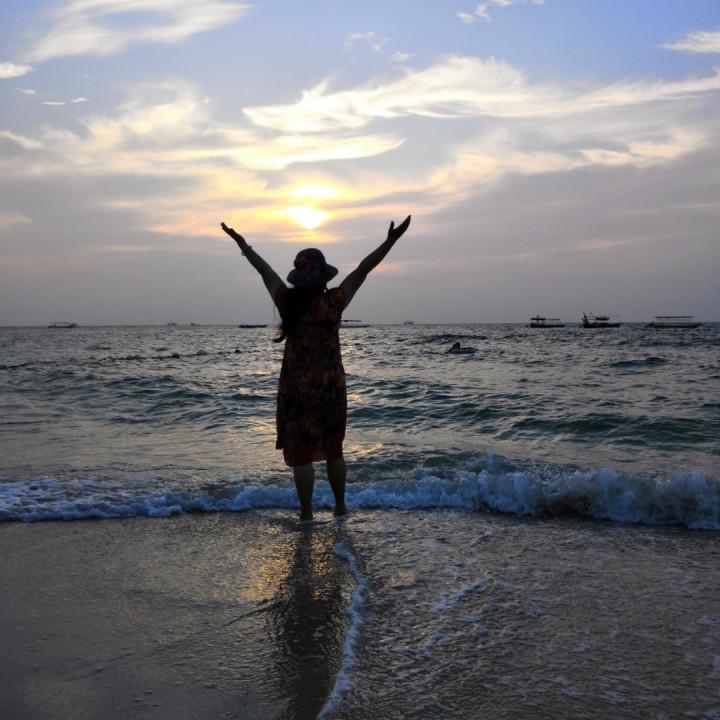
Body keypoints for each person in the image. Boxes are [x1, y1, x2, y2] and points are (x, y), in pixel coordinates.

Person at [220, 215, 412, 520]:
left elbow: (264, 270)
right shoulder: (334, 302)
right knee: (334, 450)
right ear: (323, 277)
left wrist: (242, 244)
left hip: (295, 390)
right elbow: (364, 269)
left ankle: (307, 514)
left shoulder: (286, 301)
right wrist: (391, 241)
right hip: (329, 389)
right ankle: (340, 507)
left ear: (298, 277)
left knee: (301, 455)